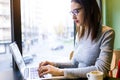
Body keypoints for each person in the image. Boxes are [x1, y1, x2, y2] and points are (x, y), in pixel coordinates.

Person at [38, 0, 115, 78]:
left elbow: (101, 70)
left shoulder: (107, 33)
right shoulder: (79, 34)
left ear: (90, 9)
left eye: (76, 12)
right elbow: (74, 64)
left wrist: (60, 71)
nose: (73, 17)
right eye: (72, 12)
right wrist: (54, 64)